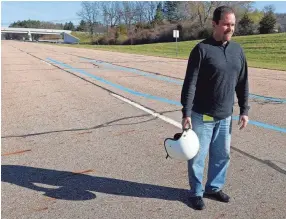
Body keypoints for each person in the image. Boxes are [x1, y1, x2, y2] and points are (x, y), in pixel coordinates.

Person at [181, 6, 250, 210]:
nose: (230, 28)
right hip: (202, 115)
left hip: (225, 116)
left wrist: (244, 110)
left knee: (222, 155)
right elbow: (190, 83)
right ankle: (196, 192)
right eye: (226, 24)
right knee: (197, 156)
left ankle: (213, 187)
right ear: (215, 24)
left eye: (232, 24)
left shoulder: (238, 50)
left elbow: (243, 82)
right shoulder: (201, 50)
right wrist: (186, 112)